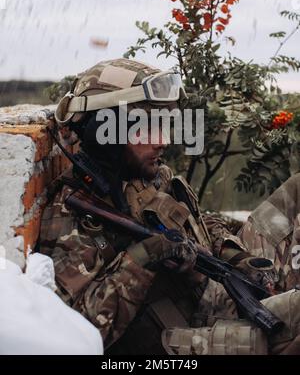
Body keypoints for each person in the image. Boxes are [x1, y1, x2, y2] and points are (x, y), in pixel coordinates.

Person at [39, 58, 300, 355]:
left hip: (220, 285)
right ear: (103, 132)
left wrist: (234, 254)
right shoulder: (72, 216)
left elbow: (198, 220)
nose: (163, 140)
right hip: (185, 330)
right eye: (147, 128)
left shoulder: (149, 174)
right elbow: (75, 334)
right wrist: (142, 258)